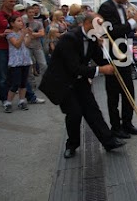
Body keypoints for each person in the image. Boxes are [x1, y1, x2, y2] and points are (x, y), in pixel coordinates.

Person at [39, 13, 126, 158]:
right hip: (63, 82)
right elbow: (74, 67)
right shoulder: (69, 38)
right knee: (74, 113)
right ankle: (71, 145)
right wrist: (101, 70)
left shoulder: (92, 38)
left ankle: (109, 141)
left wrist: (106, 53)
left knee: (93, 109)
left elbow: (99, 59)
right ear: (87, 24)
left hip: (79, 81)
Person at [98, 0, 137, 138]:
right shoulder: (106, 7)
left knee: (129, 91)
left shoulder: (122, 7)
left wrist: (136, 23)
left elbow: (125, 32)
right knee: (113, 94)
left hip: (123, 54)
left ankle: (127, 123)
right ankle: (116, 127)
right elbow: (113, 32)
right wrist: (134, 20)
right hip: (112, 55)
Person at [0, 0, 45, 105]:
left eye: (14, 2)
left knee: (23, 76)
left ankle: (30, 97)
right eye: (10, 1)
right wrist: (2, 34)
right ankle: (5, 100)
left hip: (18, 50)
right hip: (2, 48)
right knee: (3, 76)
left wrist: (28, 34)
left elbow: (23, 31)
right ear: (3, 1)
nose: (12, 4)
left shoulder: (17, 14)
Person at [3, 15, 32, 113]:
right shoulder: (10, 34)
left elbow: (27, 44)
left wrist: (30, 36)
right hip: (16, 62)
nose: (21, 23)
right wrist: (23, 34)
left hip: (25, 61)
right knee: (15, 83)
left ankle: (22, 101)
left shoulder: (21, 32)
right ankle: (8, 103)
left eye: (21, 21)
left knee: (23, 83)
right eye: (18, 21)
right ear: (12, 23)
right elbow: (16, 45)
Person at [24, 6, 48, 89]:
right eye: (29, 12)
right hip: (27, 46)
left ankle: (45, 82)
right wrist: (35, 34)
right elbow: (22, 33)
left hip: (37, 46)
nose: (31, 14)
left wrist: (31, 34)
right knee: (29, 65)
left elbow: (42, 33)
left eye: (32, 12)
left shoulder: (38, 23)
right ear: (26, 13)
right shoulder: (23, 22)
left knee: (43, 64)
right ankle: (32, 83)